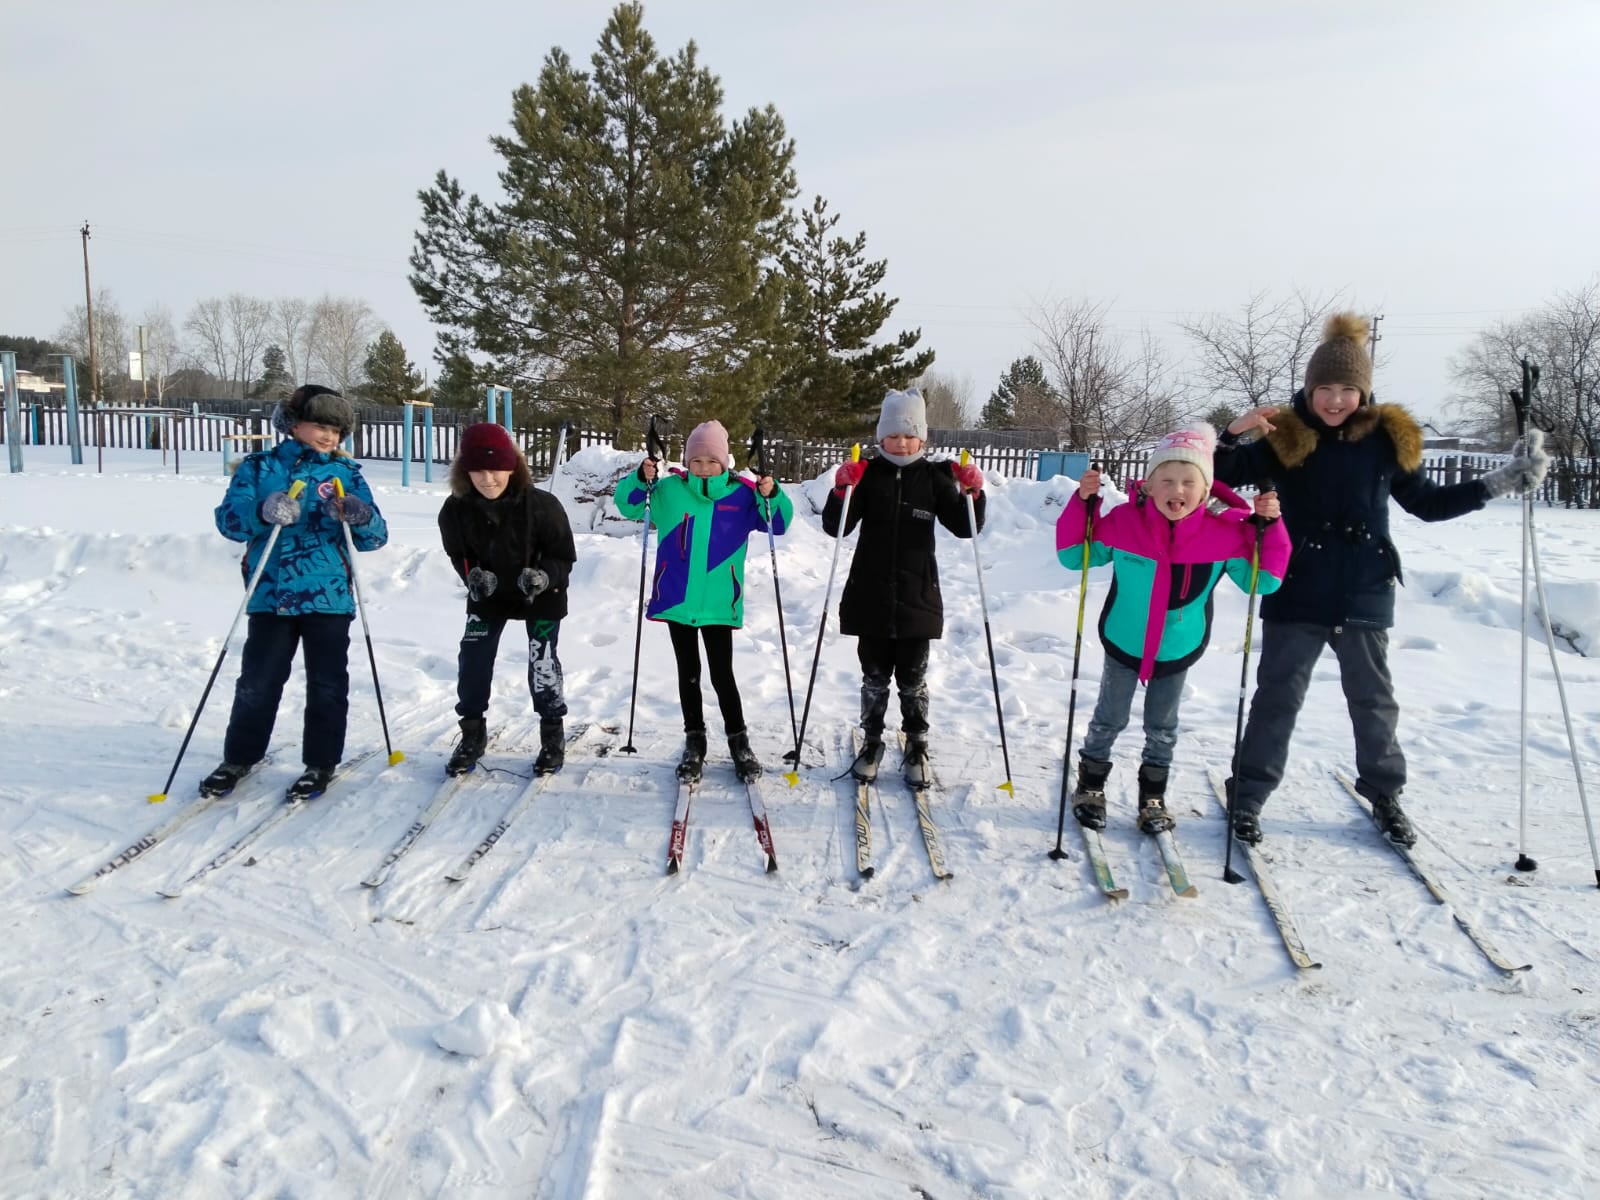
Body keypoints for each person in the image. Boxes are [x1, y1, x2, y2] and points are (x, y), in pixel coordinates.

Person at [1215, 312, 1550, 845]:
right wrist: (1232, 435)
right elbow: (1216, 475)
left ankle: (1385, 793)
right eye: (1324, 387)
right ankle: (1249, 795)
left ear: (1364, 391)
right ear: (1309, 388)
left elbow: (1427, 504)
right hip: (1297, 582)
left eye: (1347, 388)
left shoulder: (1389, 439)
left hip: (1364, 584)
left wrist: (1498, 482)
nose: (1334, 400)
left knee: (1373, 699)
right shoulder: (1287, 436)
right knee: (1278, 696)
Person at [1056, 424, 1290, 833]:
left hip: (1177, 649)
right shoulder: (1125, 522)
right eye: (1165, 479)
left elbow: (1263, 582)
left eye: (1187, 481)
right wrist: (1083, 504)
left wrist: (1269, 530)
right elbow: (1075, 557)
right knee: (1108, 718)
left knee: (1162, 727)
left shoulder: (1225, 534)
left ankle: (1153, 796)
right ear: (1148, 484)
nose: (1175, 489)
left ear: (1205, 490)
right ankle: (1090, 786)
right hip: (1124, 641)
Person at [202, 385, 389, 801]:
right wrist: (262, 511)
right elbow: (230, 522)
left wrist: (360, 517)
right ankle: (239, 757)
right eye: (320, 425)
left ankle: (320, 762)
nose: (328, 437)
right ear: (293, 424)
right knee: (258, 681)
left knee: (327, 684)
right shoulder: (259, 467)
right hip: (271, 595)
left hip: (328, 597)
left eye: (337, 430)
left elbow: (376, 537)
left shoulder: (346, 475)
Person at [612, 419, 794, 783]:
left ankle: (738, 740)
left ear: (725, 462)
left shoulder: (742, 495)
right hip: (678, 599)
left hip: (718, 603)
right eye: (697, 461)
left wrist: (771, 494)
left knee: (723, 675)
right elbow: (629, 506)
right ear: (687, 461)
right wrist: (640, 479)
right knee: (688, 674)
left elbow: (778, 523)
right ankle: (694, 739)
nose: (704, 467)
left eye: (712, 461)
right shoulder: (669, 491)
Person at [822, 388, 986, 788]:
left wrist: (973, 494)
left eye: (908, 435)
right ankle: (873, 741)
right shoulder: (869, 475)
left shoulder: (933, 478)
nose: (900, 442)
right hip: (870, 596)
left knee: (913, 679)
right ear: (881, 437)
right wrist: (843, 489)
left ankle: (916, 743)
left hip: (917, 598)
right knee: (874, 677)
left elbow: (965, 528)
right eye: (893, 435)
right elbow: (836, 526)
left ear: (922, 439)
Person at [438, 423, 578, 777]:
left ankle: (551, 735)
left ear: (513, 467)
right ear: (463, 471)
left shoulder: (543, 506)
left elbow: (564, 557)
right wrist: (470, 575)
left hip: (541, 594)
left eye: (496, 469)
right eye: (478, 470)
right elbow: (459, 553)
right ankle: (472, 733)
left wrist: (544, 576)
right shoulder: (455, 510)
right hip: (488, 595)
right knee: (473, 657)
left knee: (542, 660)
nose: (487, 479)